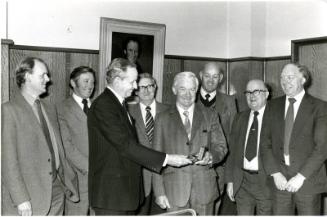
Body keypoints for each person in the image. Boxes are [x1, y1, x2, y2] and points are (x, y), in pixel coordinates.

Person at [87, 58, 192, 215]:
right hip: (111, 196)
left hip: (122, 194)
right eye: (132, 82)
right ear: (117, 81)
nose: (136, 87)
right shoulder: (104, 105)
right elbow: (126, 146)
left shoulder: (118, 104)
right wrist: (167, 159)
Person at [1, 57, 78, 215]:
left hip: (56, 189)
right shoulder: (9, 110)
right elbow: (7, 161)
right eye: (43, 75)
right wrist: (21, 199)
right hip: (30, 195)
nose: (48, 79)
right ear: (28, 77)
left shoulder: (49, 108)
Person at [152, 71, 228, 215]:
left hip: (204, 190)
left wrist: (211, 157)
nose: (188, 94)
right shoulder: (162, 118)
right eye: (183, 89)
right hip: (174, 191)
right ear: (174, 90)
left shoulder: (210, 114)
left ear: (197, 90)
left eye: (192, 89)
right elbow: (156, 157)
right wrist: (159, 192)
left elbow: (221, 146)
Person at [261, 62, 327, 215]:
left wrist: (300, 177)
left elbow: (322, 148)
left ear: (303, 79)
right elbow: (265, 144)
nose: (285, 82)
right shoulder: (272, 106)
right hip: (279, 183)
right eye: (282, 77)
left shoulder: (320, 107)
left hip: (307, 181)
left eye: (290, 77)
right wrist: (275, 173)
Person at [225, 79, 273, 215]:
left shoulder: (276, 117)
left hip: (266, 183)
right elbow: (232, 152)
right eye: (248, 92)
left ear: (267, 94)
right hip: (242, 182)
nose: (252, 96)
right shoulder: (240, 118)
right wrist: (230, 181)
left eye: (256, 91)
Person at [198, 62, 237, 214]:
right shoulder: (189, 97)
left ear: (221, 78)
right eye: (207, 76)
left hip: (219, 166)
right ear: (201, 75)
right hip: (194, 166)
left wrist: (230, 171)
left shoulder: (229, 101)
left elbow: (233, 137)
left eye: (215, 77)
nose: (210, 80)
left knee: (213, 207)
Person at [57, 66, 95, 215]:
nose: (90, 86)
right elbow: (66, 146)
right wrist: (92, 168)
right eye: (86, 81)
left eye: (92, 81)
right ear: (73, 83)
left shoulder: (100, 107)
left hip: (102, 182)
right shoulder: (61, 108)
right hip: (77, 180)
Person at [129, 73, 169, 215]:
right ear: (135, 90)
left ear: (155, 87)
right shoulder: (127, 112)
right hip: (139, 179)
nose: (146, 91)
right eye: (142, 87)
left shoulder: (170, 111)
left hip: (165, 179)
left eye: (150, 86)